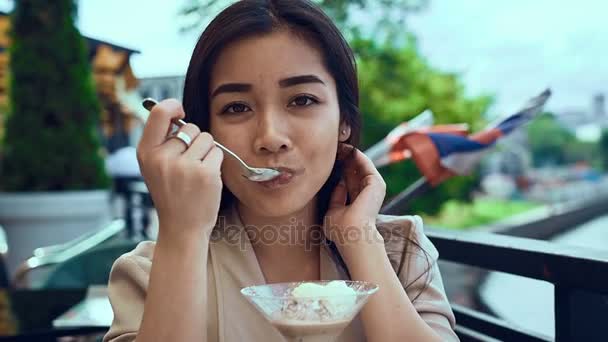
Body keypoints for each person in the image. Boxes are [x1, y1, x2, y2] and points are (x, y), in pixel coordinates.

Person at [103, 1, 458, 341]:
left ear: (344, 123)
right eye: (237, 107)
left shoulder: (401, 250)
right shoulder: (151, 271)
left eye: (302, 100)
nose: (270, 137)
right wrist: (183, 234)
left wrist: (359, 240)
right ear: (203, 132)